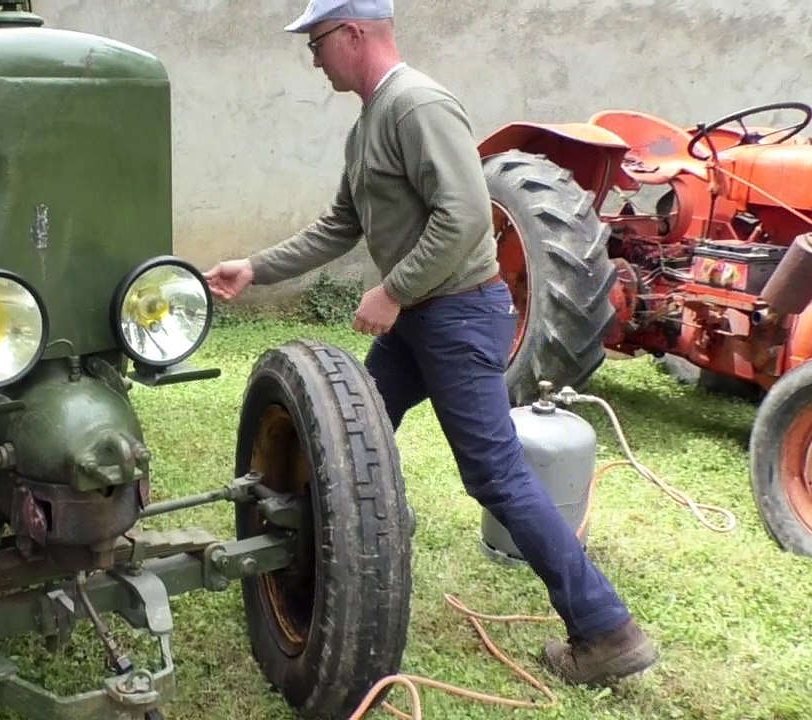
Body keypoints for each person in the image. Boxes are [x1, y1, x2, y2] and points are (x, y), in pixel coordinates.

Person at [204, 0, 658, 686]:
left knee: (494, 475)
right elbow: (337, 227)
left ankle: (606, 631)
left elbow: (467, 216)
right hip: (423, 318)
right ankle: (338, 560)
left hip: (457, 315)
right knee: (346, 439)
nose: (312, 56)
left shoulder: (417, 107)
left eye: (318, 41)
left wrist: (392, 291)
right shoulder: (369, 129)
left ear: (355, 33)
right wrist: (255, 267)